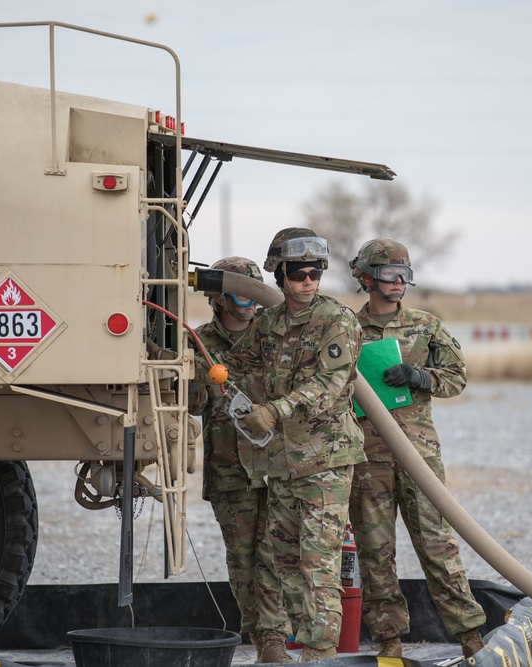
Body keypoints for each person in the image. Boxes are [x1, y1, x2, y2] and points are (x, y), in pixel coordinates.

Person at [224, 228, 366, 662]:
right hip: (283, 462)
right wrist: (197, 356)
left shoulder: (337, 320)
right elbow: (239, 360)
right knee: (285, 560)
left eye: (316, 272)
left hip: (324, 460)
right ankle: (298, 644)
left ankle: (320, 654)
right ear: (280, 275)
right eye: (299, 273)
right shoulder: (268, 323)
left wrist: (275, 410)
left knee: (318, 562)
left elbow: (329, 384)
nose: (309, 280)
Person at [346, 238, 487, 659]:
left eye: (405, 274)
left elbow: (456, 378)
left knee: (437, 546)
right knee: (375, 552)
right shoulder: (346, 328)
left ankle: (470, 638)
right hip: (368, 457)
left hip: (419, 455)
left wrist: (419, 377)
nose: (399, 282)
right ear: (368, 278)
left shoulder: (426, 325)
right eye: (390, 274)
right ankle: (389, 642)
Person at [189, 257, 292, 664]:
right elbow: (195, 405)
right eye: (237, 294)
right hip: (230, 471)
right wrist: (191, 372)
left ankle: (274, 640)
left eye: (253, 294)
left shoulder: (275, 338)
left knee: (276, 554)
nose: (248, 303)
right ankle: (259, 632)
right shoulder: (196, 343)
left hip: (278, 465)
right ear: (217, 298)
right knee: (243, 558)